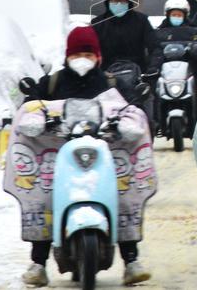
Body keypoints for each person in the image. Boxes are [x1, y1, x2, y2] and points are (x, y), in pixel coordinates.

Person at [19, 26, 154, 287]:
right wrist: (36, 116)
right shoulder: (54, 82)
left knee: (125, 195)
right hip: (59, 153)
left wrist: (130, 121)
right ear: (68, 55)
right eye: (78, 52)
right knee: (43, 195)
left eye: (88, 53)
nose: (83, 58)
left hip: (106, 150)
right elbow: (33, 103)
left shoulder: (112, 83)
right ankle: (37, 263)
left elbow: (133, 107)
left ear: (98, 56)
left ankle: (131, 261)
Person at [152, 0, 197, 116]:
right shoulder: (159, 32)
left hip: (188, 72)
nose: (176, 17)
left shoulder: (194, 32)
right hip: (167, 73)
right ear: (167, 15)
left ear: (185, 15)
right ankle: (157, 118)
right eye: (173, 14)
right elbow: (155, 51)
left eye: (179, 15)